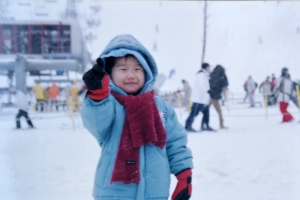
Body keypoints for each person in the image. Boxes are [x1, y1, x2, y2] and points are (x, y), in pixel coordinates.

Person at [81, 34, 193, 200]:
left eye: (138, 69)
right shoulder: (108, 104)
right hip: (114, 193)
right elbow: (97, 121)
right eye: (123, 69)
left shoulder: (161, 108)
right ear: (109, 74)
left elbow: (175, 143)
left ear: (147, 73)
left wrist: (184, 176)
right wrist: (98, 95)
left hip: (155, 191)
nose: (131, 75)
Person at [185, 63, 215, 132]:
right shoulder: (201, 75)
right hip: (198, 99)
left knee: (206, 112)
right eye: (209, 67)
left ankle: (205, 125)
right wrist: (209, 91)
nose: (210, 69)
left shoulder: (204, 75)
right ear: (206, 67)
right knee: (194, 113)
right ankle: (187, 126)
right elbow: (202, 85)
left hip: (203, 99)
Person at [208, 65, 229, 129]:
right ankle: (221, 124)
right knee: (219, 111)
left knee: (205, 110)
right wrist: (225, 76)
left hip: (208, 95)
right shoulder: (221, 77)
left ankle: (204, 124)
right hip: (215, 96)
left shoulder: (211, 75)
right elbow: (226, 84)